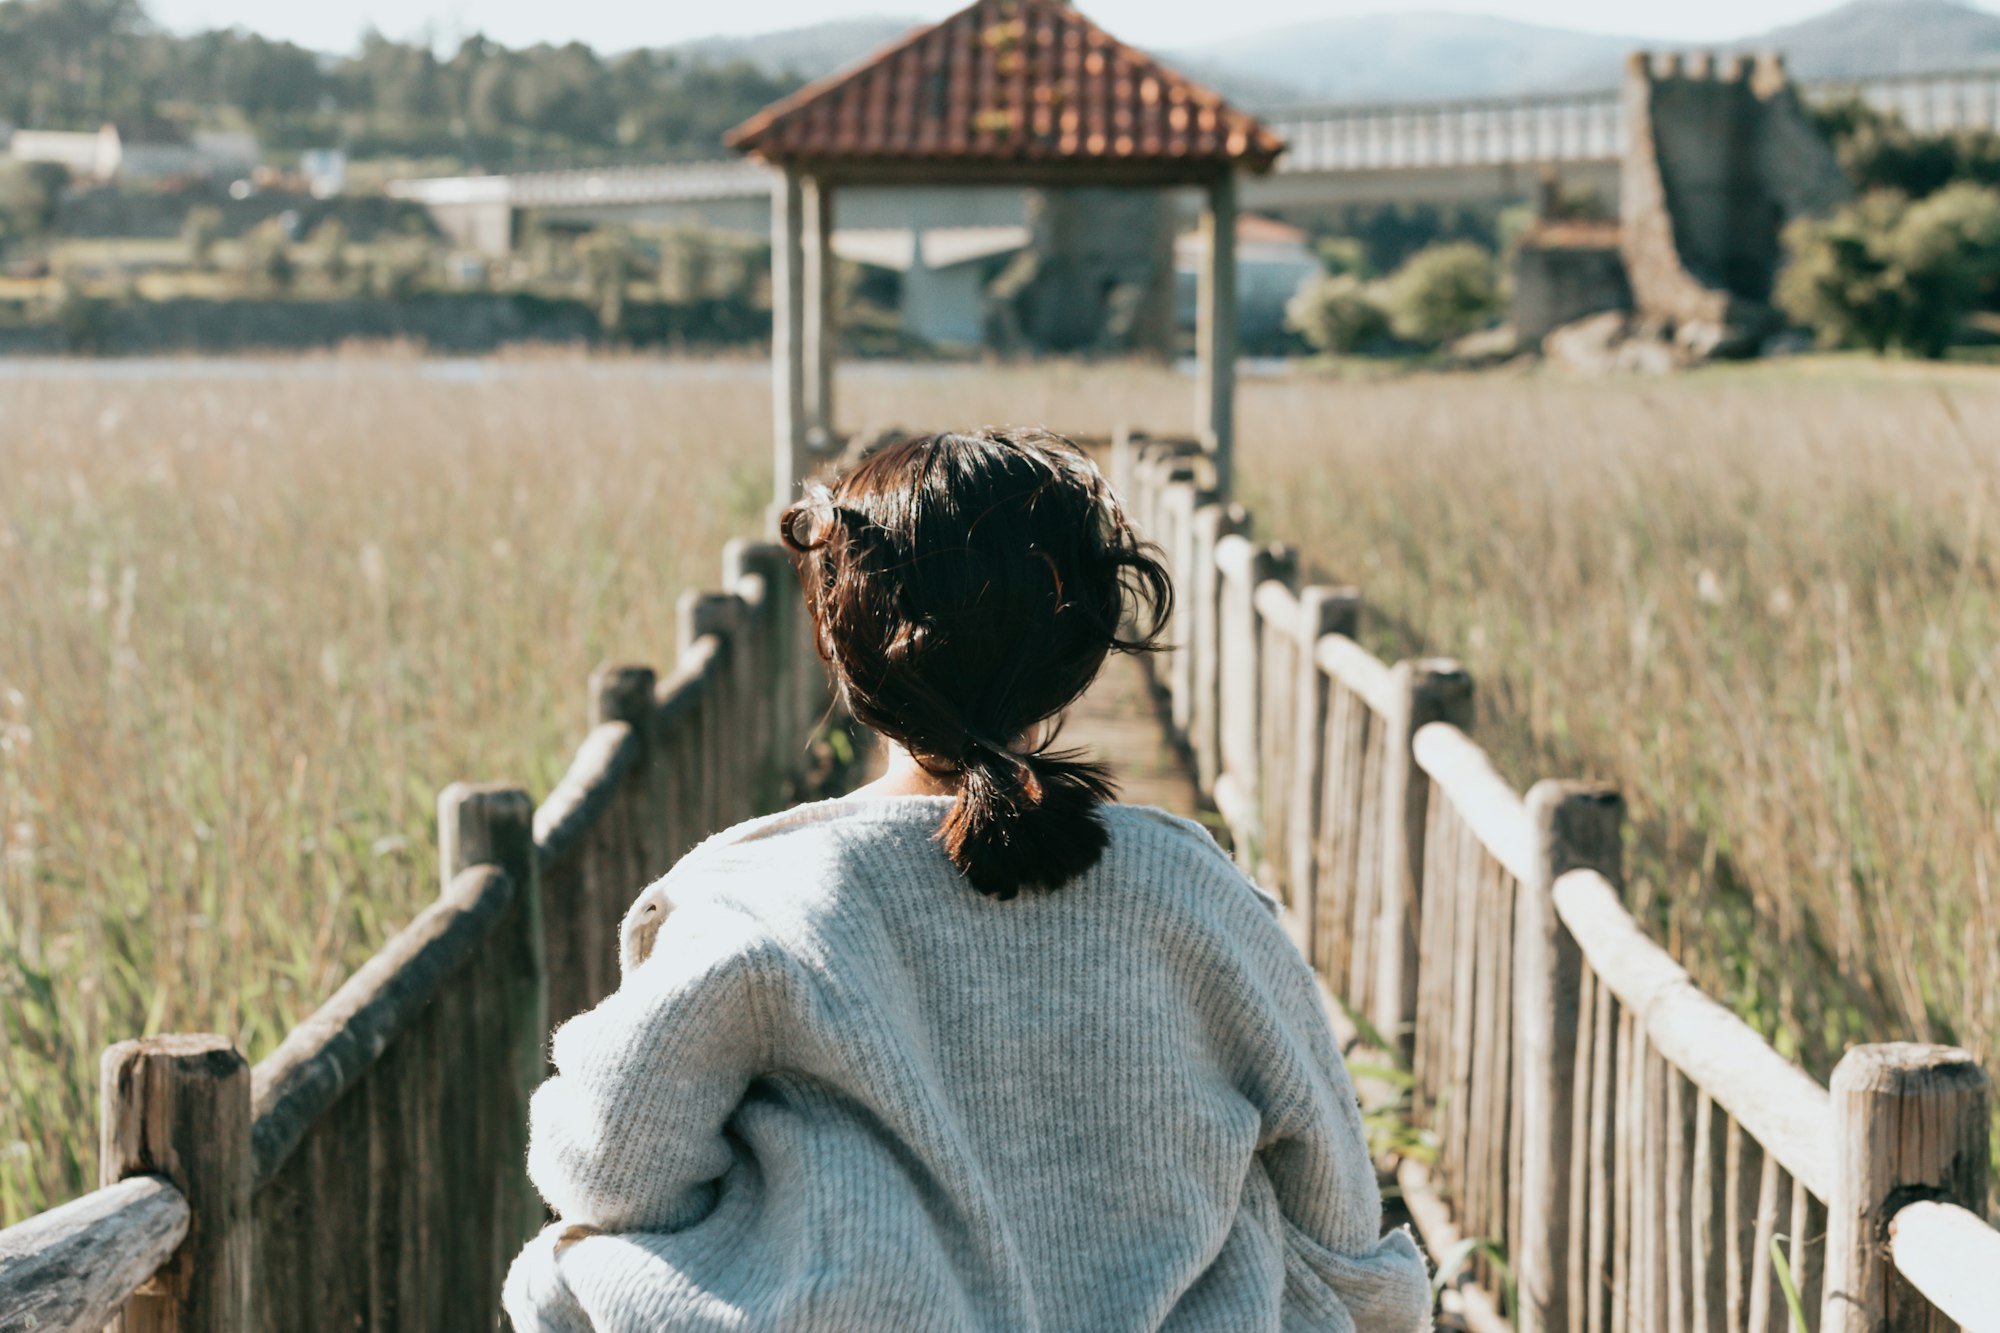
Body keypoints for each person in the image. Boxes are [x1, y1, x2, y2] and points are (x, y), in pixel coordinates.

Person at [503, 428, 1431, 1332]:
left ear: (842, 640)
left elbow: (608, 1166)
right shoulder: (1193, 890)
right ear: (1080, 652)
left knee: (556, 1274)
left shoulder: (757, 901)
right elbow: (1340, 1221)